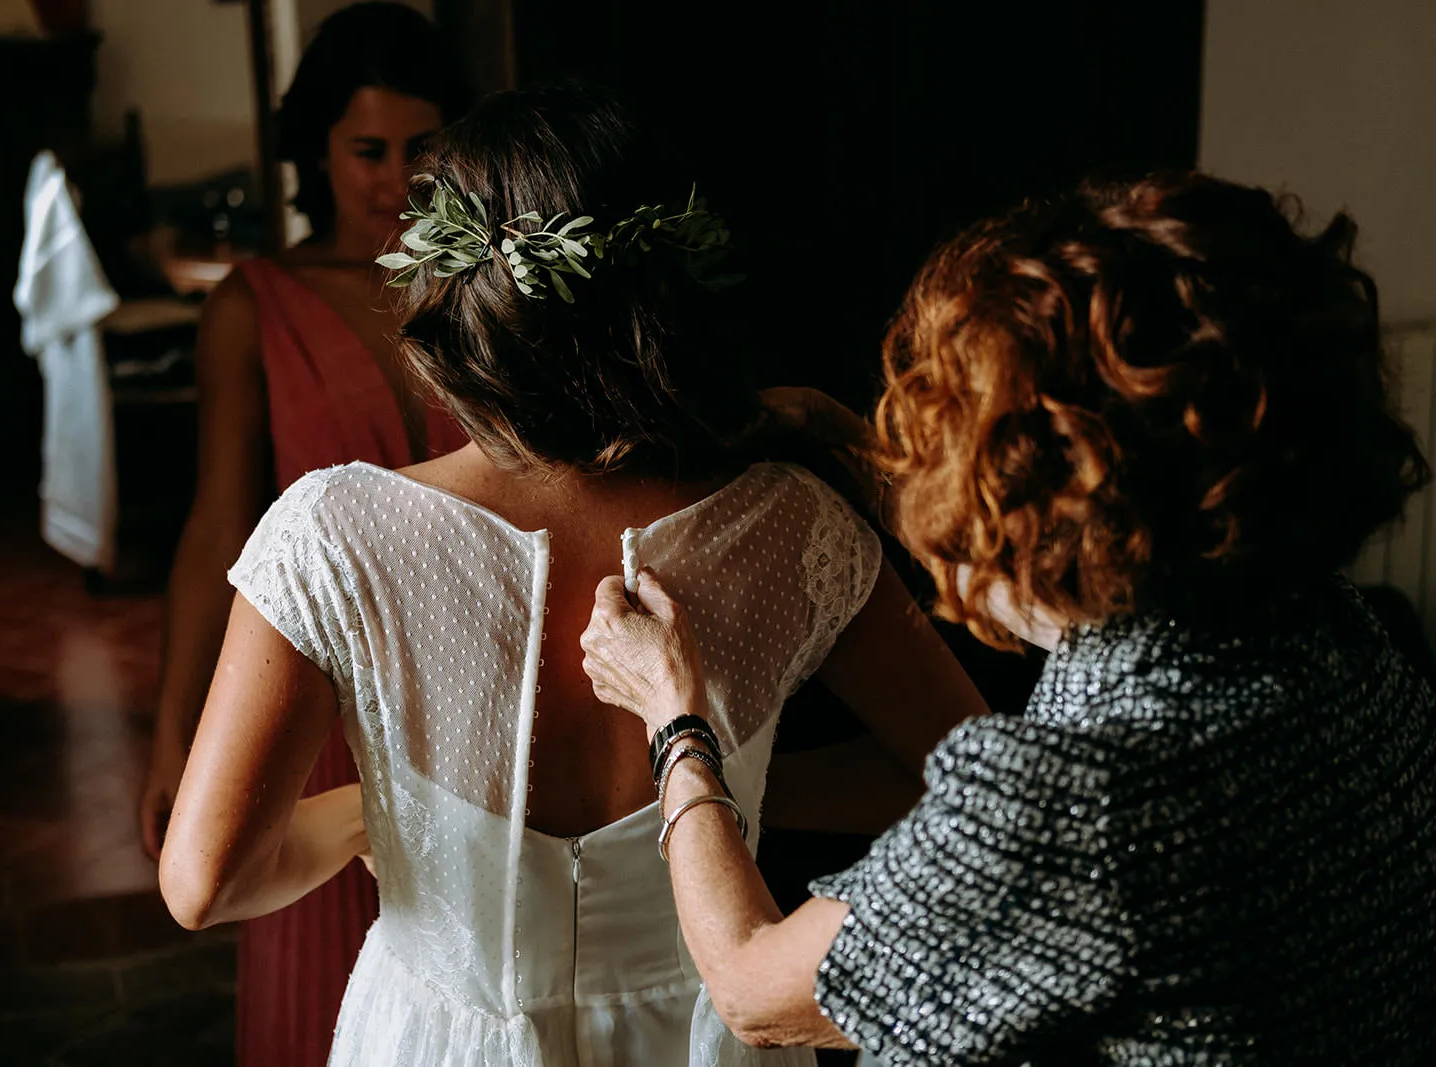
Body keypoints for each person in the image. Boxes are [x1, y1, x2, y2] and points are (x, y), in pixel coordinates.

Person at [158, 81, 990, 1066]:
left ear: (445, 303)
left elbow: (205, 881)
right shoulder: (791, 523)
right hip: (711, 1033)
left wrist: (359, 815)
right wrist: (712, 789)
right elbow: (972, 788)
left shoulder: (337, 534)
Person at [580, 172, 1436, 1065]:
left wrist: (677, 719)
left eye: (958, 459)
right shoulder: (1335, 632)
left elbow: (754, 988)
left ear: (1049, 514)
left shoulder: (1078, 803)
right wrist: (859, 450)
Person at [136, 6, 472, 1065]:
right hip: (315, 706)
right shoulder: (254, 306)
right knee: (317, 999)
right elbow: (216, 530)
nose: (394, 180)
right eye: (366, 150)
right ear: (317, 155)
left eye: (421, 148)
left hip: (482, 693)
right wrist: (175, 729)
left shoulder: (485, 288)